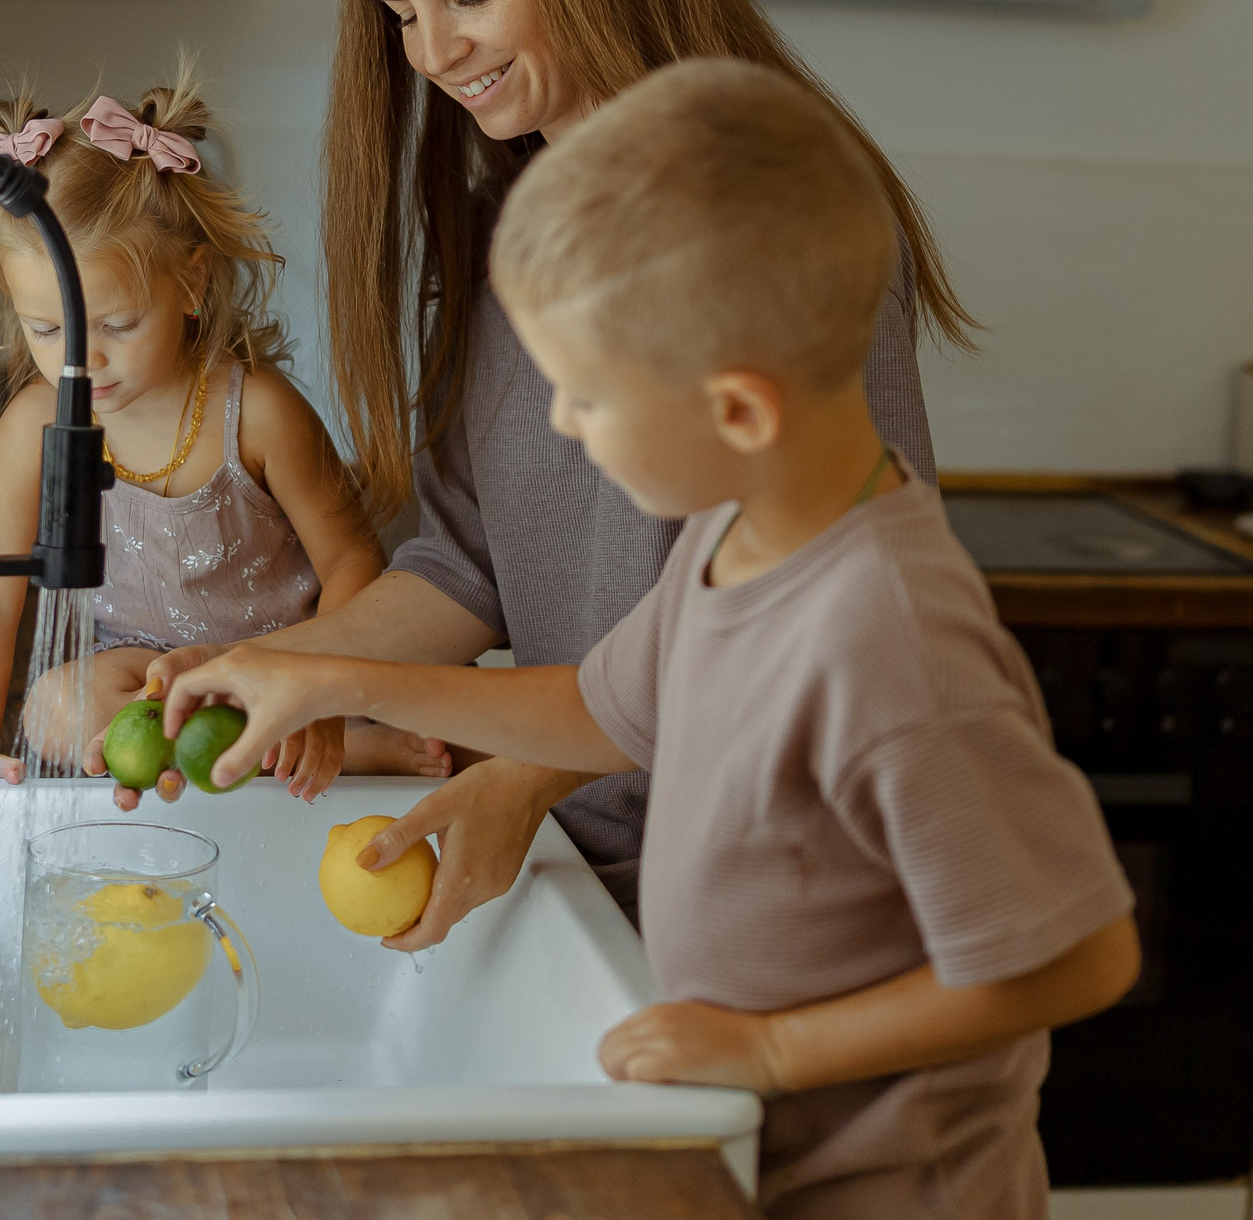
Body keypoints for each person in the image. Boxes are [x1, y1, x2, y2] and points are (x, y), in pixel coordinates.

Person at [161, 61, 1139, 1220]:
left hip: (893, 1188)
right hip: (753, 1150)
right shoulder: (737, 536)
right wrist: (326, 676)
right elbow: (597, 709)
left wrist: (770, 1051)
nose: (561, 426)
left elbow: (1075, 958)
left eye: (583, 396)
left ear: (735, 411)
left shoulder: (888, 641)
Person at [140, 0, 974, 941]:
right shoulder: (517, 225)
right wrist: (254, 669)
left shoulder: (766, 218)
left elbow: (788, 625)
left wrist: (521, 773)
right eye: (399, 13)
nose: (430, 53)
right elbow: (467, 560)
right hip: (604, 879)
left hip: (768, 882)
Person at [0, 74, 448, 811]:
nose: (84, 360)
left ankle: (322, 742)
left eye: (116, 325)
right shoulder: (34, 424)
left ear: (191, 282)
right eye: (47, 331)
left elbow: (354, 562)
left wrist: (322, 697)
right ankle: (208, 755)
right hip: (140, 677)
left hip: (271, 670)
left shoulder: (258, 412)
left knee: (390, 698)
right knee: (53, 706)